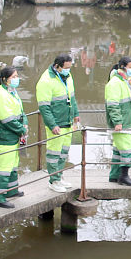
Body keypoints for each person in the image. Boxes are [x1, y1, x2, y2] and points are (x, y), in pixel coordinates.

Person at [37, 54, 80, 191]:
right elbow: (44, 107)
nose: (69, 70)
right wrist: (52, 125)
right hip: (56, 123)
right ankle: (53, 181)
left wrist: (76, 115)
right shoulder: (46, 81)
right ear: (57, 66)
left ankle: (59, 176)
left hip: (67, 121)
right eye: (66, 68)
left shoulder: (67, 77)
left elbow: (72, 97)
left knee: (63, 152)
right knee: (54, 153)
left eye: (70, 67)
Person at [0, 66, 27, 208]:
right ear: (5, 80)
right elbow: (7, 119)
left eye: (17, 76)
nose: (17, 79)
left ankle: (11, 190)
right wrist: (21, 129)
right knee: (3, 167)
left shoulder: (12, 92)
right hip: (4, 136)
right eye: (14, 77)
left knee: (12, 165)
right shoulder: (1, 95)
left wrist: (24, 123)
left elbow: (20, 111)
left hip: (13, 135)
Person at [105, 57, 131, 186]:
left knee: (118, 150)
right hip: (121, 123)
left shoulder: (126, 82)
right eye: (130, 66)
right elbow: (113, 104)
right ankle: (123, 176)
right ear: (123, 66)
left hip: (127, 120)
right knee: (127, 149)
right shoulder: (115, 83)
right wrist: (117, 122)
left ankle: (114, 176)